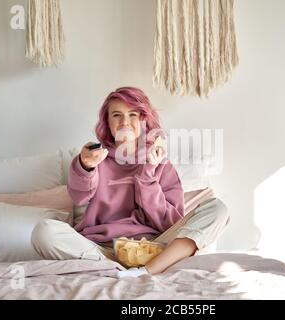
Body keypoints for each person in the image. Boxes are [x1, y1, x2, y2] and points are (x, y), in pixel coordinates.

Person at [31, 87, 230, 277]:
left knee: (218, 208)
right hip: (102, 249)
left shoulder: (161, 164)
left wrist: (147, 175)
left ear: (144, 120)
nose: (125, 121)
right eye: (116, 115)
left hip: (155, 248)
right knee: (44, 231)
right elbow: (80, 196)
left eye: (133, 115)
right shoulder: (95, 158)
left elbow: (169, 222)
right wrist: (85, 165)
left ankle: (147, 271)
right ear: (107, 122)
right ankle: (116, 268)